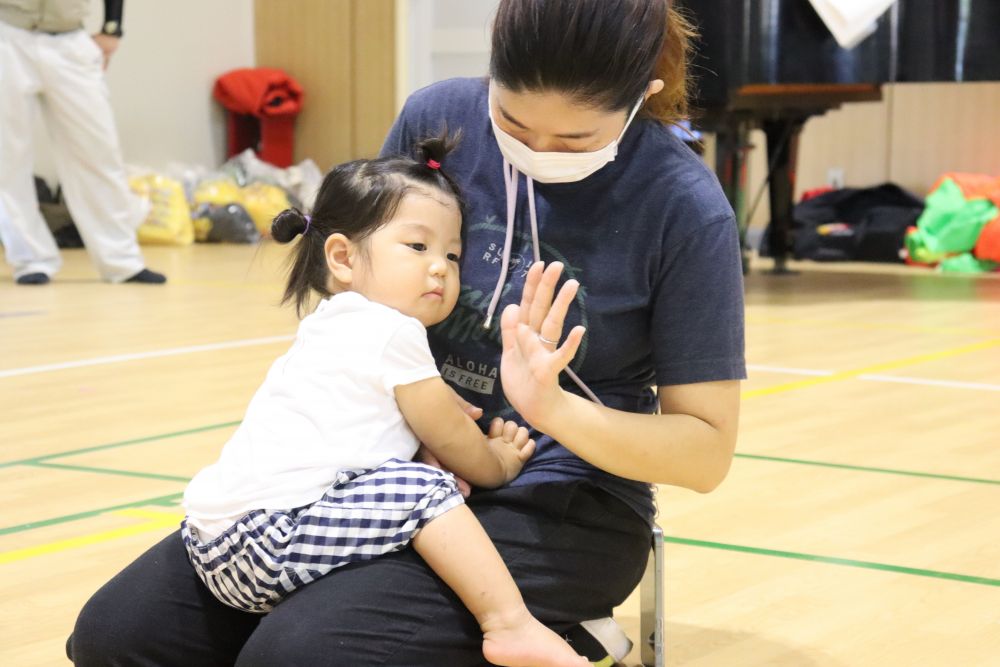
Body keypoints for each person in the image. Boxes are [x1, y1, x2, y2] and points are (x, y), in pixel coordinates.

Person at [69, 1, 746, 664]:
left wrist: (553, 410)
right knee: (116, 635)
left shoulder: (682, 205)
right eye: (512, 122)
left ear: (643, 94)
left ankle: (547, 627)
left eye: (573, 140)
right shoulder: (439, 118)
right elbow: (355, 278)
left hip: (561, 501)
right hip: (379, 470)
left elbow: (704, 453)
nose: (538, 150)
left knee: (300, 650)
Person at [178, 135, 587, 667]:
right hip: (270, 541)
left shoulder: (327, 325)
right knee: (425, 489)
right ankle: (509, 623)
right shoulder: (392, 332)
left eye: (452, 254)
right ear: (343, 257)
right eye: (417, 247)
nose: (440, 267)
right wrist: (499, 463)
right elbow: (454, 439)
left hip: (210, 543)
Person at [0, 0, 165, 284]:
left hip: (69, 38)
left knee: (99, 152)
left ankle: (121, 261)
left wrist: (112, 28)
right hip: (9, 32)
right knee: (7, 158)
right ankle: (30, 259)